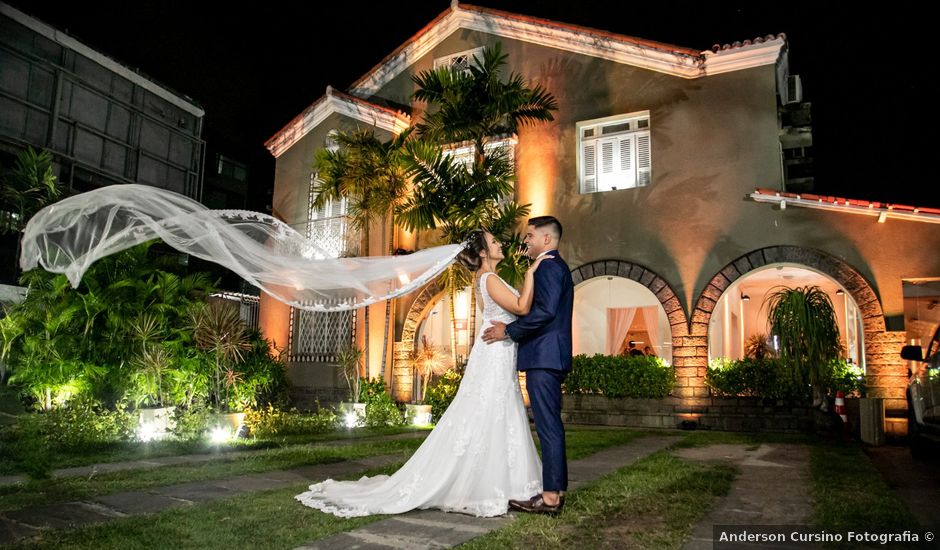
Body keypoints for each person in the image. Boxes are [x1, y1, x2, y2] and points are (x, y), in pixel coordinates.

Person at [295, 231, 550, 517]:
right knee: (489, 410)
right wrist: (531, 273)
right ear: (482, 253)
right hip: (494, 354)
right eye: (493, 242)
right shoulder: (488, 279)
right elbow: (521, 307)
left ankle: (504, 480)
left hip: (498, 352)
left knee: (494, 411)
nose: (500, 243)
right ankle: (491, 483)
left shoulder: (487, 279)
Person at [482, 216, 573, 516]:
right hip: (548, 356)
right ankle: (553, 492)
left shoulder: (548, 266)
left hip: (544, 357)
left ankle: (549, 499)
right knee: (549, 425)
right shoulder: (553, 266)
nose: (526, 241)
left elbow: (544, 311)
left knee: (548, 427)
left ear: (546, 239)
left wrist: (508, 332)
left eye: (531, 236)